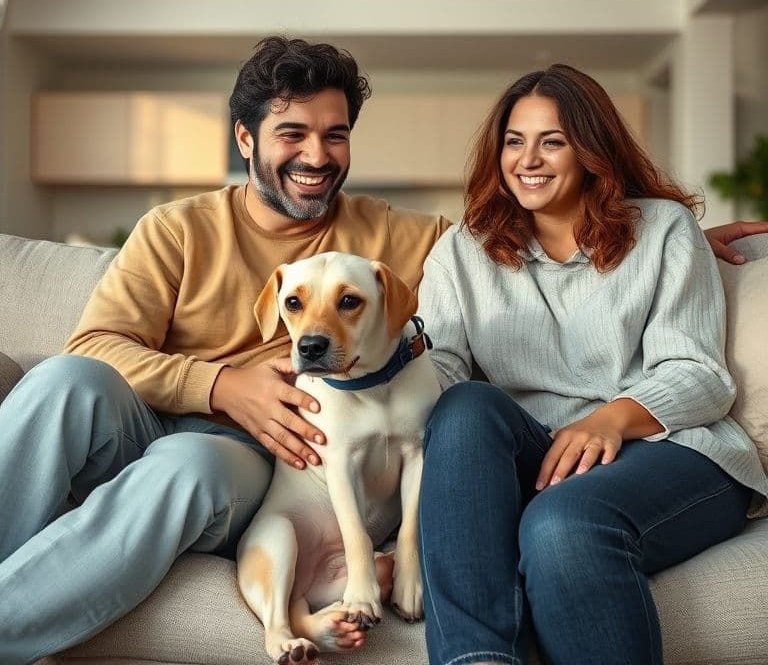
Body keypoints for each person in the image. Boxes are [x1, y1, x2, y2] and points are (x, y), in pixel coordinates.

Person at [0, 38, 763, 664]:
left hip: (257, 455)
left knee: (191, 463)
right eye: (291, 134)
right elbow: (97, 344)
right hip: (176, 409)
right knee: (66, 380)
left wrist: (679, 233)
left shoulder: (404, 239)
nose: (316, 154)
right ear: (245, 140)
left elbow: (526, 248)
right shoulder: (177, 228)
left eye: (335, 135)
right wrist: (220, 384)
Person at [415, 64, 768, 665]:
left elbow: (700, 374)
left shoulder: (663, 229)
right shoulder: (461, 251)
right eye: (514, 141)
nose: (528, 159)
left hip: (673, 450)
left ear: (591, 150)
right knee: (465, 404)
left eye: (552, 141)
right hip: (542, 455)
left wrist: (610, 420)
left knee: (561, 524)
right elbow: (440, 373)